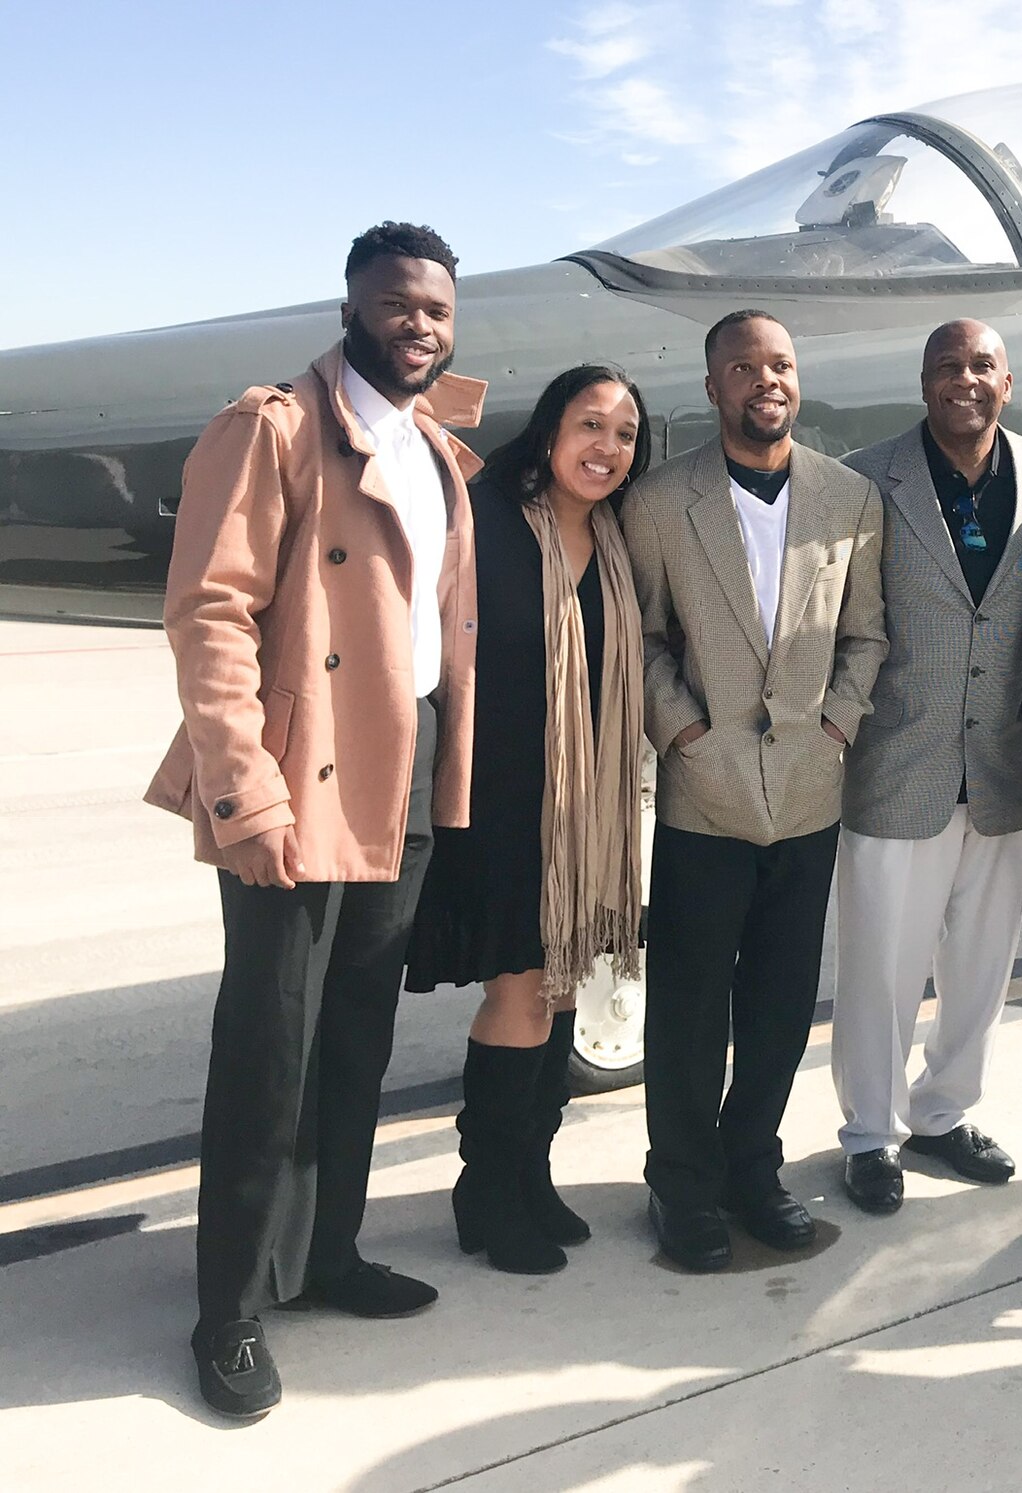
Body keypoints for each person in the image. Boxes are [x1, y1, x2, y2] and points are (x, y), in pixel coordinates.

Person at [144, 223, 483, 1417]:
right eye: (397, 304)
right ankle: (228, 1308)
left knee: (357, 1036)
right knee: (268, 1049)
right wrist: (244, 788)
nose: (419, 324)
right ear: (352, 307)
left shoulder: (437, 446)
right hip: (301, 774)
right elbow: (210, 613)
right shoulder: (274, 425)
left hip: (407, 762)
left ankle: (328, 1253)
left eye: (436, 308)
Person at [622, 310, 886, 1272]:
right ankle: (681, 1182)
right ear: (713, 388)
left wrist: (836, 725)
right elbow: (641, 638)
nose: (764, 380)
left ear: (796, 380)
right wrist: (682, 729)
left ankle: (752, 1168)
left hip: (810, 791)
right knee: (691, 1005)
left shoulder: (849, 499)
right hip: (706, 793)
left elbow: (866, 637)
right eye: (743, 367)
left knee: (779, 1001)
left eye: (779, 364)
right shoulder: (658, 504)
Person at [405, 366, 651, 1274]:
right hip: (502, 798)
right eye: (590, 424)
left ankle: (531, 1174)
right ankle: (484, 1193)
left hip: (587, 808)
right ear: (548, 430)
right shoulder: (485, 522)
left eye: (624, 434)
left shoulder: (621, 537)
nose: (607, 447)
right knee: (520, 988)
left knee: (557, 991)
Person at [830, 321, 1022, 1212]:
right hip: (897, 760)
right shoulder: (865, 478)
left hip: (1005, 766)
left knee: (981, 964)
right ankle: (869, 1133)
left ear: (1006, 382)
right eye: (947, 366)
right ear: (923, 379)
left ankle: (944, 1112)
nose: (963, 380)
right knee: (880, 969)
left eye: (981, 366)